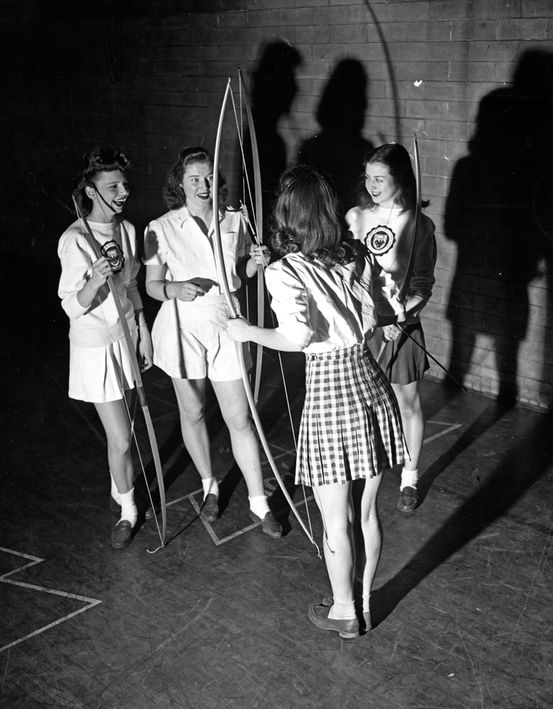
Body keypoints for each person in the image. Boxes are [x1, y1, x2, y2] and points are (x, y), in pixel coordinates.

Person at [227, 166, 405, 638]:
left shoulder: (286, 271)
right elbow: (372, 319)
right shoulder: (349, 260)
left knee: (335, 520)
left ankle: (344, 610)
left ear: (287, 217)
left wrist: (246, 331)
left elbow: (297, 335)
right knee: (364, 513)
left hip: (330, 394)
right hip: (368, 381)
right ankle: (362, 603)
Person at [143, 146, 282, 538]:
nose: (203, 186)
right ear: (180, 184)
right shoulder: (158, 228)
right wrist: (175, 286)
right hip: (182, 328)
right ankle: (209, 484)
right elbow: (152, 286)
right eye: (194, 180)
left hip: (226, 323)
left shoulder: (235, 220)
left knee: (239, 418)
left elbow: (242, 273)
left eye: (208, 178)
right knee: (194, 413)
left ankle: (258, 501)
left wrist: (257, 261)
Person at [57, 147, 152, 550]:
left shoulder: (127, 230)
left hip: (126, 337)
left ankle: (121, 484)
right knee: (122, 439)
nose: (123, 191)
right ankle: (128, 510)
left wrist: (143, 328)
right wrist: (93, 282)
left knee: (125, 432)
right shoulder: (74, 239)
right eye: (113, 186)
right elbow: (70, 305)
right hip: (95, 348)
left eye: (124, 184)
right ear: (91, 192)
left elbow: (130, 285)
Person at [347, 143, 436, 513]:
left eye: (380, 178)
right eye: (368, 177)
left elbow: (422, 286)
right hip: (363, 328)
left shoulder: (419, 223)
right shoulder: (356, 216)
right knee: (362, 406)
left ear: (399, 179)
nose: (371, 185)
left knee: (407, 403)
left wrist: (403, 318)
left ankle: (410, 476)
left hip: (401, 327)